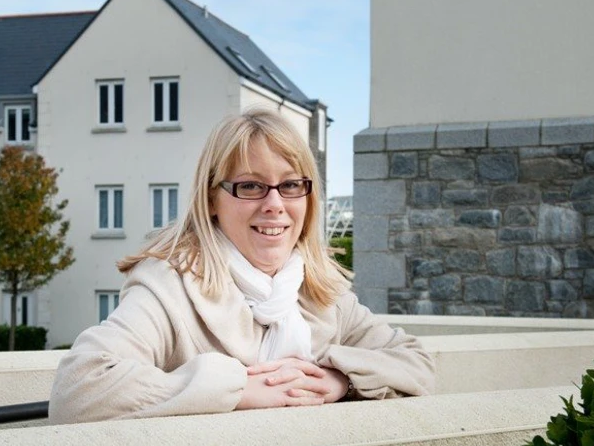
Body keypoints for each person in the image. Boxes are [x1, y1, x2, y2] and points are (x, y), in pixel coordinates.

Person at [49, 109, 435, 424]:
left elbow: (417, 363)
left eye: (290, 185)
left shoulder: (320, 292)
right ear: (211, 199)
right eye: (250, 186)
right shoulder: (170, 287)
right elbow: (79, 387)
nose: (274, 204)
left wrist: (340, 379)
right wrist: (236, 389)